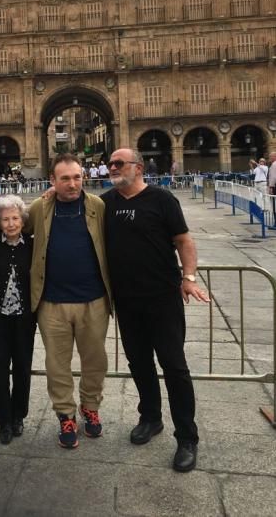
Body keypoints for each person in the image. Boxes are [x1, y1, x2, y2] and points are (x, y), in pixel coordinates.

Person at [102, 148, 210, 473]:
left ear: (137, 168)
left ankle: (187, 437)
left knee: (174, 366)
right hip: (127, 301)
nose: (112, 168)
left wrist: (188, 278)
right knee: (139, 363)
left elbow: (184, 241)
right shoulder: (105, 203)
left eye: (119, 163)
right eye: (110, 164)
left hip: (162, 299)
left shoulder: (162, 200)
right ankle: (150, 417)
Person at [28, 153, 112, 449]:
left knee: (95, 361)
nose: (72, 183)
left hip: (94, 301)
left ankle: (91, 408)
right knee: (57, 364)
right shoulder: (40, 207)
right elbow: (11, 225)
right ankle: (65, 414)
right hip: (52, 303)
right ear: (52, 181)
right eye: (65, 178)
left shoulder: (96, 206)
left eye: (77, 177)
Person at [0, 195, 36, 444]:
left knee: (22, 367)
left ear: (22, 220)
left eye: (15, 218)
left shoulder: (33, 244)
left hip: (25, 318)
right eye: (5, 219)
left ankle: (19, 416)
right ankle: (3, 419)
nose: (11, 223)